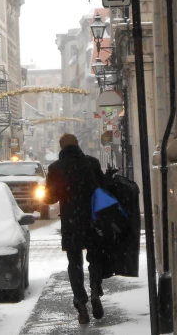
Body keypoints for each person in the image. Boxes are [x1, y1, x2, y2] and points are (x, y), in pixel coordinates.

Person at [44, 133, 106, 325]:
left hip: (71, 221)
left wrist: (57, 193)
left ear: (61, 148)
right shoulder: (92, 163)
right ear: (78, 145)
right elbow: (102, 188)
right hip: (92, 219)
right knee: (95, 256)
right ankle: (95, 289)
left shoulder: (55, 168)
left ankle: (81, 304)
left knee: (74, 263)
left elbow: (50, 199)